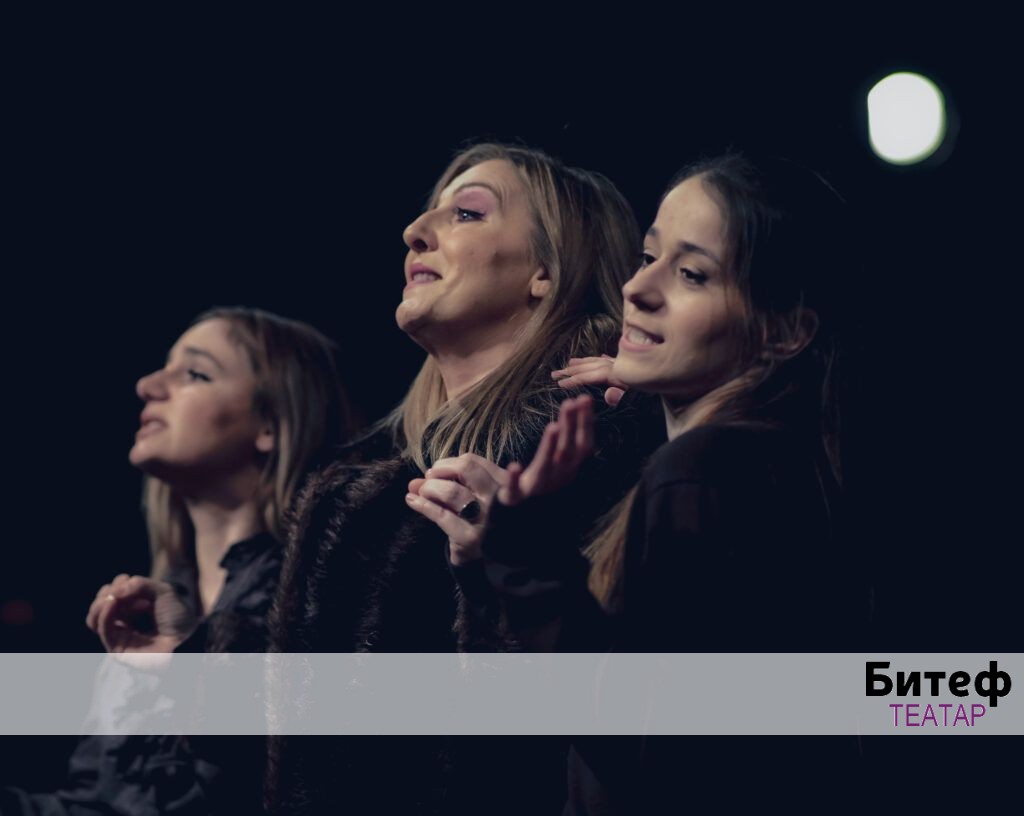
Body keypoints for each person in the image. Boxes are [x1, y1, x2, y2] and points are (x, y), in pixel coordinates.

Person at [408, 153, 867, 811]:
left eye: (692, 274)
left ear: (786, 332)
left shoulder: (702, 473)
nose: (637, 288)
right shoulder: (761, 463)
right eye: (648, 256)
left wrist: (523, 555)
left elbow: (658, 754)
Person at [266, 143, 657, 815]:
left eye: (467, 213)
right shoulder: (356, 481)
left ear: (544, 271)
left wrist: (506, 563)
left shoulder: (593, 443)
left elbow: (607, 718)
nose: (414, 232)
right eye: (429, 213)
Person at [0, 307, 353, 816]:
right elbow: (96, 804)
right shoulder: (143, 609)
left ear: (271, 424)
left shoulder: (328, 589)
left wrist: (188, 662)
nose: (147, 386)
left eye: (194, 373)